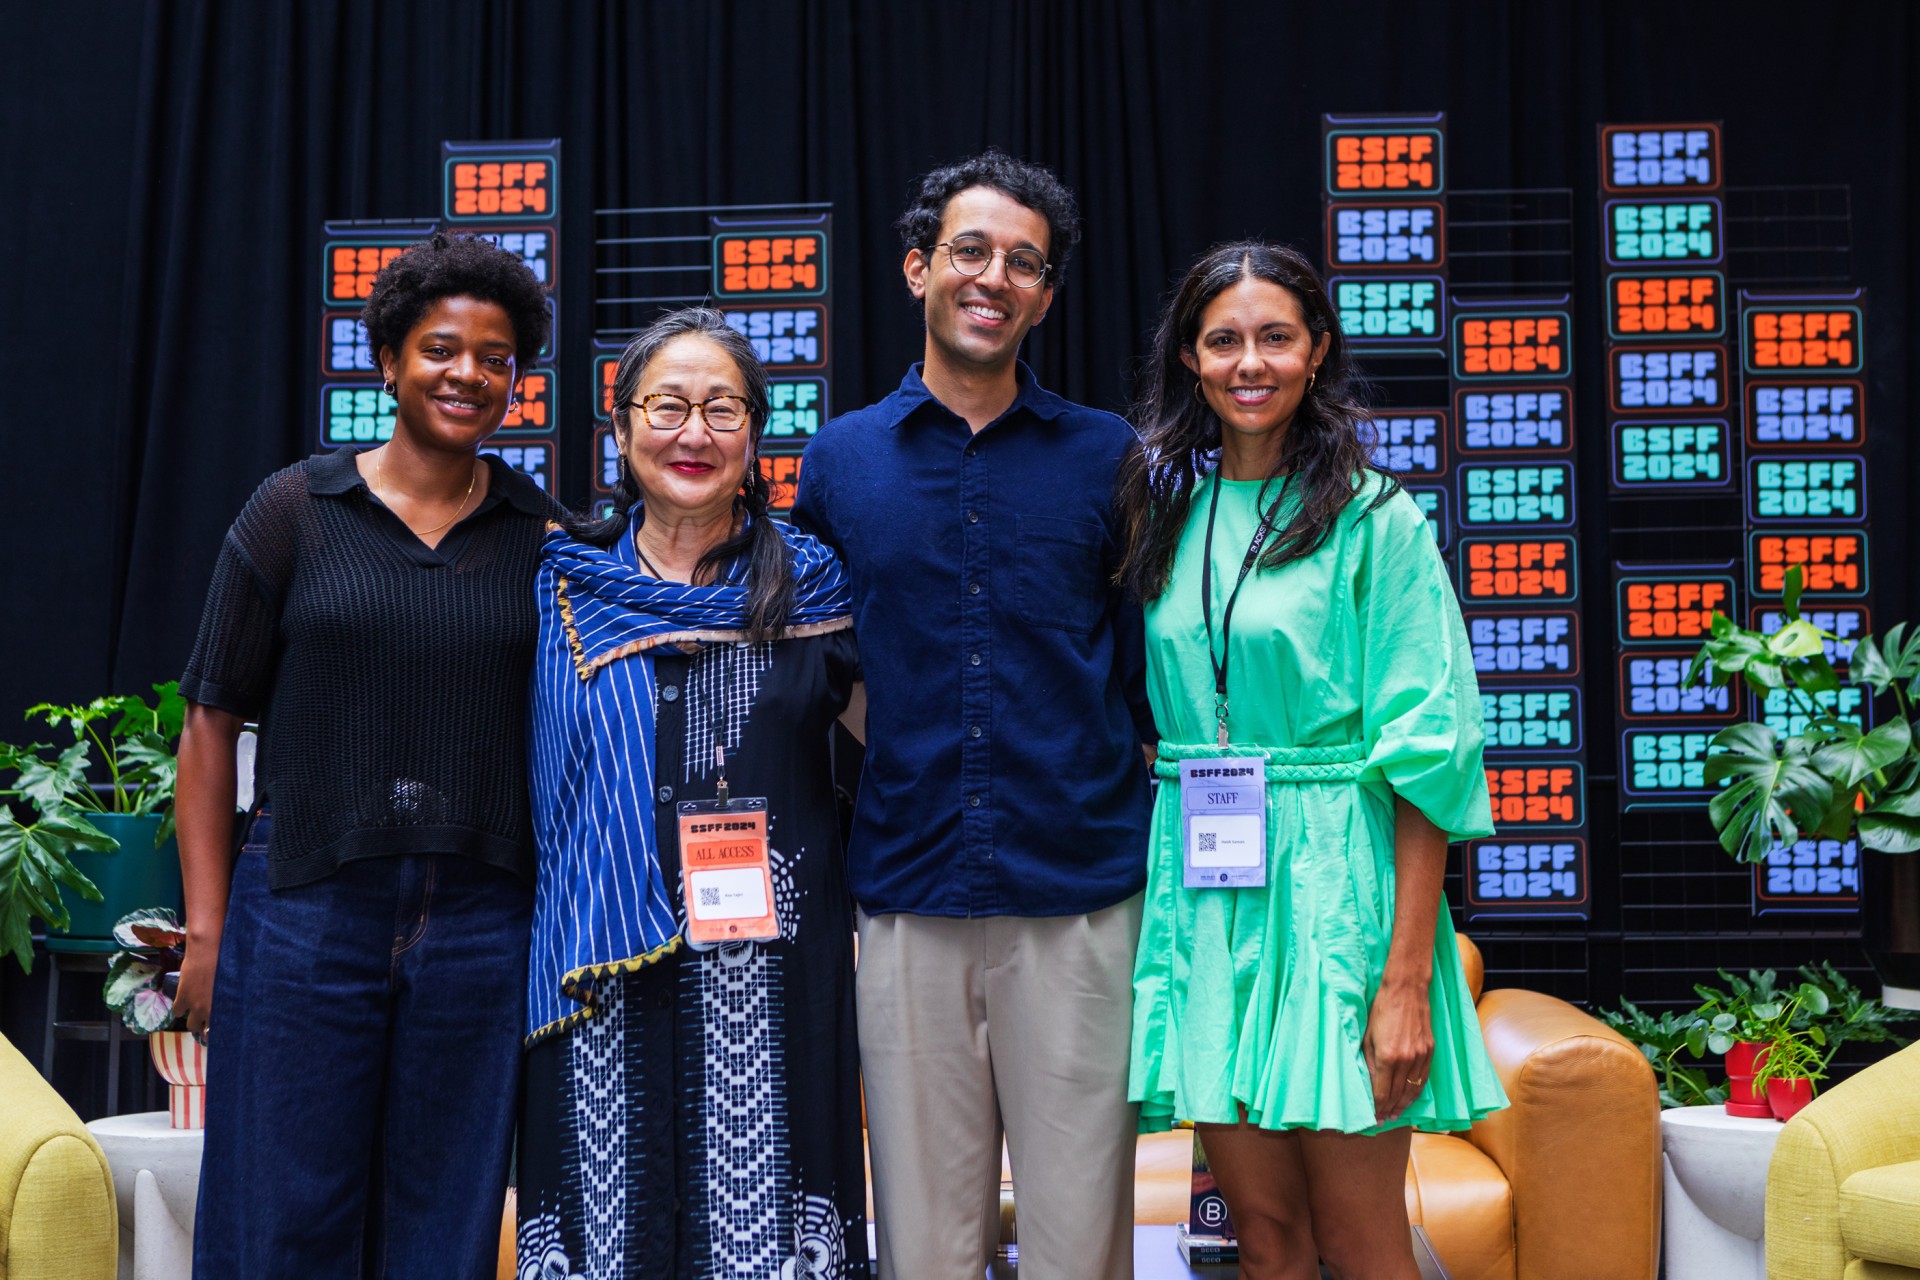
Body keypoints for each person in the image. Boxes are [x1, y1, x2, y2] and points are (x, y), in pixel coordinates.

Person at [792, 150, 1155, 1280]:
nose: (994, 276)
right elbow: (823, 670)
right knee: (924, 1243)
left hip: (1084, 896)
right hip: (908, 891)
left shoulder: (1110, 457)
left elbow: (1148, 674)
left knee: (1078, 1240)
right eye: (970, 250)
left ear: (1045, 296)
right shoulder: (842, 460)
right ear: (918, 269)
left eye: (1024, 263)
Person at [1115, 241, 1509, 1280]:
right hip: (1205, 893)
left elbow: (1428, 751)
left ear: (1317, 351)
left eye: (1276, 336)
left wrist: (1406, 981)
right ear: (1191, 359)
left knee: (1362, 1246)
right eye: (1225, 339)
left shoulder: (1378, 517)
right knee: (1266, 1242)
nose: (1251, 361)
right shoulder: (1162, 511)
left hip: (1338, 891)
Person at [173, 232, 553, 1276]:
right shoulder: (296, 510)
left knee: (443, 1219)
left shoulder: (544, 537)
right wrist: (206, 931)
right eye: (440, 347)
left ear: (516, 380)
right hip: (304, 909)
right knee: (281, 1214)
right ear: (388, 360)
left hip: (483, 923)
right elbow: (209, 725)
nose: (466, 373)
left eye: (494, 356)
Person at [515, 307, 868, 1280]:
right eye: (667, 406)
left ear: (755, 433)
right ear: (621, 427)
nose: (693, 432)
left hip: (772, 978)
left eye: (721, 408)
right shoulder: (556, 587)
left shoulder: (816, 588)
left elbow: (896, 757)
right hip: (595, 978)